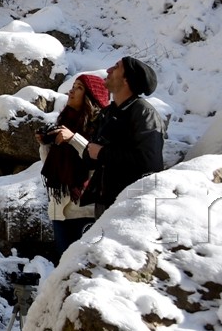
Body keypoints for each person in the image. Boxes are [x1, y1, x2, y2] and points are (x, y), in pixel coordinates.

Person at [52, 56, 166, 218]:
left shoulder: (143, 113)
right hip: (104, 202)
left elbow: (149, 162)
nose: (108, 70)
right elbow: (92, 155)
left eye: (116, 67)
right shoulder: (107, 113)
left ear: (127, 80)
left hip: (131, 205)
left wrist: (102, 153)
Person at [38, 73, 109, 255]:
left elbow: (98, 159)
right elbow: (50, 165)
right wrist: (45, 143)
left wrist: (73, 138)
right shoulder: (65, 121)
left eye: (79, 88)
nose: (71, 91)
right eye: (73, 86)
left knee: (82, 269)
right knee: (63, 269)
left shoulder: (102, 126)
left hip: (84, 211)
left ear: (91, 96)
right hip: (59, 210)